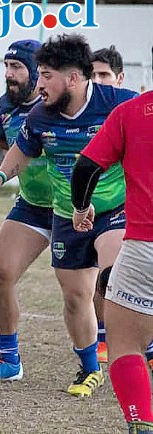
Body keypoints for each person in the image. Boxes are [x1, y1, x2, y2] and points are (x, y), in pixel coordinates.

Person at [0, 34, 137, 397]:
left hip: (113, 209)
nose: (40, 82)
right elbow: (20, 149)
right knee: (75, 297)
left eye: (46, 75)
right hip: (65, 212)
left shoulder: (119, 104)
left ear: (74, 78)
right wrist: (0, 175)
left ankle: (141, 349)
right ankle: (88, 368)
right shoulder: (39, 114)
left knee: (113, 281)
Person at [70, 83, 153, 434]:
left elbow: (85, 168)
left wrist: (80, 207)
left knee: (124, 345)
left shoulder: (132, 111)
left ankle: (142, 424)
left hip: (145, 248)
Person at [0, 40, 53, 382]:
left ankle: (146, 350)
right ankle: (9, 361)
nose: (9, 74)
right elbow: (1, 143)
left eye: (16, 67)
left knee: (95, 289)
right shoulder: (4, 106)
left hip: (79, 208)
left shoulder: (59, 105)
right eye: (6, 66)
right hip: (32, 207)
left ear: (37, 72)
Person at [89, 44, 125, 364]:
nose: (98, 81)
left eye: (104, 75)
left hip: (120, 208)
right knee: (83, 287)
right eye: (93, 75)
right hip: (77, 210)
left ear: (120, 78)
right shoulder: (76, 110)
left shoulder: (128, 109)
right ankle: (100, 336)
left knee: (111, 274)